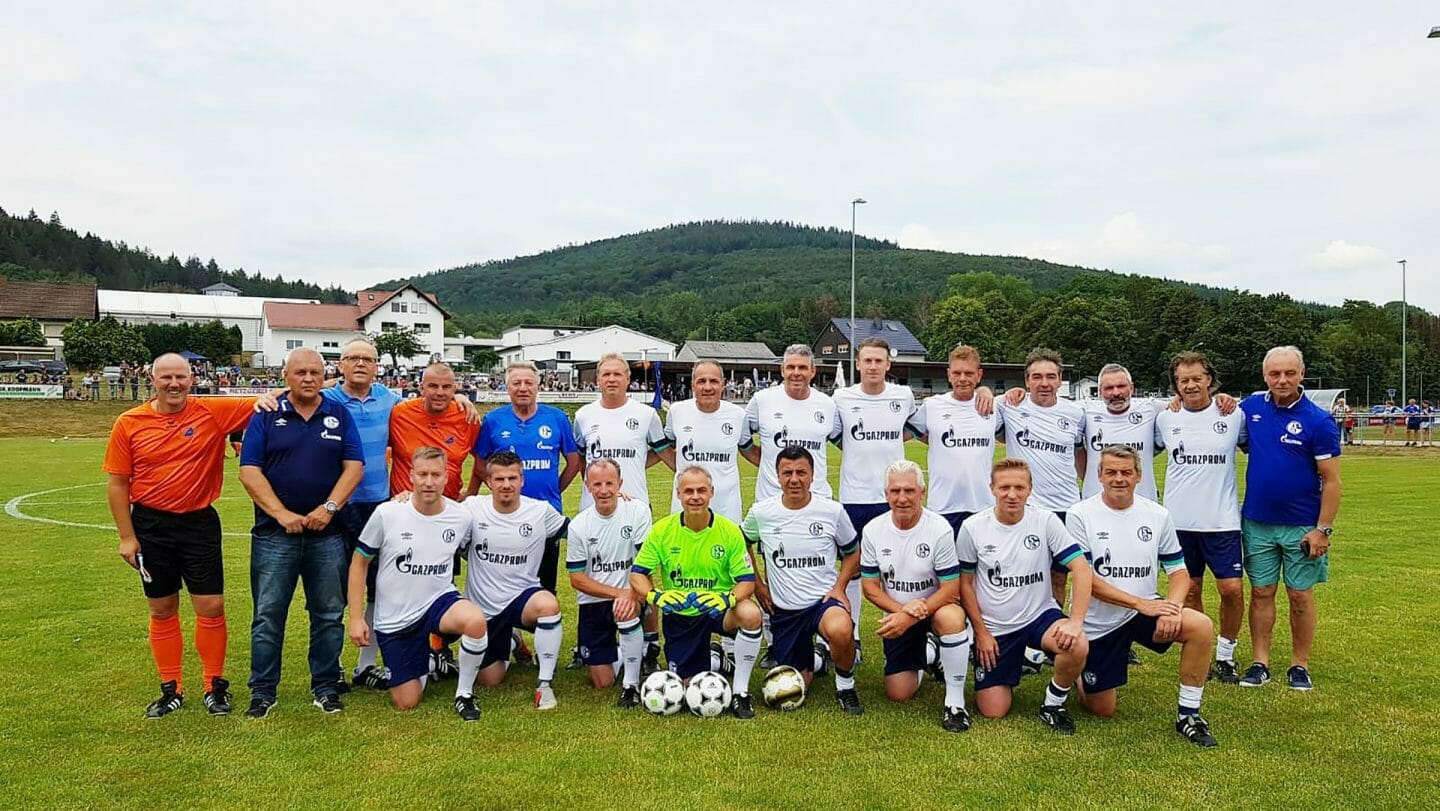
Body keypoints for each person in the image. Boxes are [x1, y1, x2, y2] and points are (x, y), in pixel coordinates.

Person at [103, 353, 260, 718]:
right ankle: (171, 687)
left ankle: (214, 686)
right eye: (166, 377)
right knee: (162, 608)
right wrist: (127, 537)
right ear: (152, 379)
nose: (174, 384)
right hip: (151, 526)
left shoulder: (211, 412)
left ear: (193, 378)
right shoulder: (129, 423)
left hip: (198, 523)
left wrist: (331, 382)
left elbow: (276, 398)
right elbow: (117, 485)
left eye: (181, 377)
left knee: (211, 606)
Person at [238, 348, 364, 718]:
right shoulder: (265, 414)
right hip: (275, 536)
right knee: (268, 615)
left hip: (327, 534)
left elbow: (354, 466)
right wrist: (281, 514)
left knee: (328, 613)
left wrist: (328, 509)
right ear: (286, 375)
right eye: (301, 372)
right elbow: (249, 470)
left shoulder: (338, 413)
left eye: (315, 372)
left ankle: (325, 686)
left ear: (324, 375)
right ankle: (263, 691)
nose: (308, 378)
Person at [1068, 446, 1219, 748]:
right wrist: (1141, 604)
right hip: (1100, 621)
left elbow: (1179, 572)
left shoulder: (1157, 514)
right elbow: (1088, 581)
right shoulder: (1079, 514)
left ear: (1138, 476)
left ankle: (1188, 714)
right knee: (1102, 710)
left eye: (1126, 472)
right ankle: (1078, 671)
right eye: (1111, 472)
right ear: (1099, 476)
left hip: (1145, 610)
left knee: (1200, 626)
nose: (1119, 479)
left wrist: (1173, 608)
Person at [347, 447, 491, 721]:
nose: (429, 481)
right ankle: (430, 661)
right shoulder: (387, 513)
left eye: (435, 475)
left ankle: (464, 693)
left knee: (474, 620)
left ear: (446, 476)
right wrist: (356, 618)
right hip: (396, 616)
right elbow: (359, 562)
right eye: (422, 474)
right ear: (410, 476)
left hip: (438, 601)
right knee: (407, 701)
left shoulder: (461, 516)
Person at [956, 459, 1093, 734]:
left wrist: (1075, 620)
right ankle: (1021, 660)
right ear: (992, 489)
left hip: (1039, 616)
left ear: (1030, 490)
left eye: (1019, 487)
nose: (1012, 494)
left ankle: (1053, 704)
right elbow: (965, 584)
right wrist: (980, 632)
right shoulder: (972, 527)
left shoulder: (1045, 521)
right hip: (996, 626)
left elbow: (1080, 567)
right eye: (1004, 487)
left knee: (1077, 643)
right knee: (993, 710)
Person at [1237, 346, 1341, 691]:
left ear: (1302, 374)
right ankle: (1259, 662)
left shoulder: (1318, 420)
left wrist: (1322, 529)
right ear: (1264, 376)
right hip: (1257, 522)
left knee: (1299, 595)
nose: (1282, 380)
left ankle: (1299, 664)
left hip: (1302, 525)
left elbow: (1332, 480)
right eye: (1274, 374)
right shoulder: (1250, 408)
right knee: (1262, 592)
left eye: (1289, 373)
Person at [630, 466, 763, 719]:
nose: (695, 496)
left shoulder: (729, 530)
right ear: (678, 494)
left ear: (711, 493)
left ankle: (740, 692)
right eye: (688, 491)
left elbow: (747, 581)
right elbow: (637, 574)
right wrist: (656, 597)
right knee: (686, 689)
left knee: (750, 613)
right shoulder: (662, 530)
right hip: (681, 614)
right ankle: (715, 659)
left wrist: (727, 598)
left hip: (718, 610)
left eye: (701, 490)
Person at [742, 446, 863, 715]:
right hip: (786, 611)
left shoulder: (832, 511)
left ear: (812, 475)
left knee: (842, 630)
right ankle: (813, 661)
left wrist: (839, 587)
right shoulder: (762, 512)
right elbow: (742, 544)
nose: (794, 479)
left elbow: (853, 552)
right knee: (797, 683)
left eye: (801, 473)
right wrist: (758, 585)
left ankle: (846, 686)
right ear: (777, 476)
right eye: (787, 473)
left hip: (823, 603)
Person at [574, 352, 673, 670]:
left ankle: (649, 647)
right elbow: (581, 459)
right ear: (598, 379)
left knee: (641, 573)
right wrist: (600, 486)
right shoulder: (584, 415)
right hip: (594, 507)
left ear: (628, 379)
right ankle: (589, 644)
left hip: (635, 507)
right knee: (593, 573)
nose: (612, 379)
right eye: (606, 374)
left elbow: (663, 453)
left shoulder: (645, 415)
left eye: (618, 374)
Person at [860, 460, 974, 732]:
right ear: (886, 494)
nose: (902, 498)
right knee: (899, 693)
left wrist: (911, 615)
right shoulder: (873, 530)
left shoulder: (939, 528)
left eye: (909, 491)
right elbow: (870, 588)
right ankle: (931, 653)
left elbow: (951, 588)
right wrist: (902, 612)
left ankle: (955, 703)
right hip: (899, 611)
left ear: (922, 493)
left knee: (951, 617)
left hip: (936, 608)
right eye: (895, 491)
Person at [1156, 351, 1248, 683]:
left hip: (1221, 522)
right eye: (1184, 380)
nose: (1191, 385)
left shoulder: (1234, 414)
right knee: (1190, 590)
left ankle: (1227, 653)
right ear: (1175, 385)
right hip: (1179, 523)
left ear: (1210, 378)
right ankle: (1205, 651)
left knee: (1231, 589)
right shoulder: (1166, 417)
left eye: (1197, 378)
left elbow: (1252, 445)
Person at [320, 338, 405, 690]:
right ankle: (332, 667)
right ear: (340, 364)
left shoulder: (390, 401)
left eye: (367, 359)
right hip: (335, 505)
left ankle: (365, 665)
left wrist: (461, 397)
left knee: (377, 588)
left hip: (377, 505)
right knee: (333, 591)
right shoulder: (325, 398)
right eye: (352, 358)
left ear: (376, 366)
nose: (360, 364)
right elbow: (290, 392)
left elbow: (431, 405)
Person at [460, 451, 569, 709]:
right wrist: (405, 498)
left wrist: (618, 506)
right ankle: (512, 641)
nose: (506, 484)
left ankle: (544, 685)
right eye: (499, 479)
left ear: (522, 480)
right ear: (488, 481)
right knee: (490, 679)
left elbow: (577, 531)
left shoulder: (541, 511)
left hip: (523, 599)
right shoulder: (472, 508)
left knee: (548, 604)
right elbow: (438, 519)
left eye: (512, 478)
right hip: (484, 608)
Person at [833, 338, 918, 649]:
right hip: (854, 497)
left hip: (893, 498)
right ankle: (851, 636)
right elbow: (836, 436)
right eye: (866, 361)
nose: (872, 366)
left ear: (888, 365)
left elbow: (914, 429)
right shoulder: (842, 397)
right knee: (852, 567)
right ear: (858, 364)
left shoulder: (903, 396)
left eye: (878, 361)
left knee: (899, 567)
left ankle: (902, 632)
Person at [474, 360, 582, 593]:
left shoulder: (556, 418)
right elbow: (480, 463)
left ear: (538, 386)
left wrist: (554, 489)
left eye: (528, 383)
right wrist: (496, 489)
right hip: (505, 516)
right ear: (507, 388)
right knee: (505, 585)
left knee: (544, 589)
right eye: (516, 383)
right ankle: (513, 631)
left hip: (546, 515)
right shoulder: (494, 419)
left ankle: (544, 628)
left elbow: (574, 462)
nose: (523, 388)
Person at [995, 348, 1086, 607]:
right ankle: (1023, 635)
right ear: (1026, 381)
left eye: (1050, 377)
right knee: (1022, 576)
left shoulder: (1076, 413)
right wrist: (985, 392)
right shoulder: (1009, 406)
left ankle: (1053, 634)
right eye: (1036, 377)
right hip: (1025, 508)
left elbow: (1080, 451)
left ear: (1060, 380)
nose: (1044, 383)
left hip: (1065, 507)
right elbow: (981, 399)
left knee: (1059, 577)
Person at [565, 459, 653, 707]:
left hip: (630, 596)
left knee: (625, 612)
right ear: (587, 486)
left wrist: (631, 595)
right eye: (597, 484)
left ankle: (631, 685)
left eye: (610, 483)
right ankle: (627, 651)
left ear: (620, 484)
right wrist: (619, 593)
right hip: (594, 603)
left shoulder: (637, 511)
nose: (604, 490)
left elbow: (645, 565)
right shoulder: (579, 525)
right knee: (601, 681)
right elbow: (577, 579)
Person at [908, 344, 1003, 535]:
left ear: (979, 375)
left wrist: (986, 391)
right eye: (957, 373)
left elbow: (1008, 434)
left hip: (983, 507)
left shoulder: (993, 407)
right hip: (943, 508)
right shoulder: (932, 406)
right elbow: (906, 434)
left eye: (969, 373)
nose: (962, 379)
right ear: (949, 374)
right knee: (945, 565)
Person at [744, 344, 842, 503]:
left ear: (812, 371)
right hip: (770, 499)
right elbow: (743, 442)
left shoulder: (828, 405)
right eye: (791, 367)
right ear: (783, 370)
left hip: (817, 500)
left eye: (802, 367)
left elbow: (843, 442)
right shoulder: (761, 401)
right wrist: (770, 466)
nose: (796, 373)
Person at [664, 360, 753, 523]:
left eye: (713, 381)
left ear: (723, 385)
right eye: (701, 381)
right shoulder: (677, 411)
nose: (707, 387)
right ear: (692, 385)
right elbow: (663, 447)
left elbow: (749, 450)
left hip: (727, 508)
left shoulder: (738, 415)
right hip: (685, 506)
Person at [390, 363, 482, 501]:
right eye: (433, 386)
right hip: (405, 506)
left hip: (448, 507)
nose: (439, 392)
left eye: (446, 387)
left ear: (454, 389)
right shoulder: (399, 414)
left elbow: (481, 458)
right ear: (421, 388)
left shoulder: (467, 418)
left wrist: (471, 492)